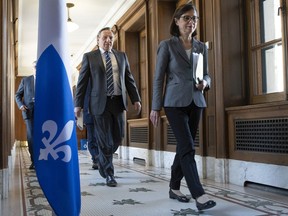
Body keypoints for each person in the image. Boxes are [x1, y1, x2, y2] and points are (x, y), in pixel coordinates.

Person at [149, 3, 216, 211]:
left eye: (194, 18)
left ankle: (174, 186)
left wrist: (206, 83)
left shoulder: (201, 47)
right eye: (186, 18)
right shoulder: (167, 45)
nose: (191, 22)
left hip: (196, 102)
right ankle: (199, 194)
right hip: (174, 103)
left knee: (183, 146)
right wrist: (155, 107)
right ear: (176, 21)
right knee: (188, 146)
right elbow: (159, 77)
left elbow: (207, 74)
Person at [74, 27, 141, 187]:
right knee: (104, 140)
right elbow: (82, 82)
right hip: (99, 104)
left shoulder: (122, 56)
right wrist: (78, 104)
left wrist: (136, 98)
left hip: (118, 102)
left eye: (110, 37)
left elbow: (129, 79)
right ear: (98, 40)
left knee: (118, 137)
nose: (108, 40)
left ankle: (103, 161)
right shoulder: (90, 57)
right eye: (104, 38)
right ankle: (109, 174)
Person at [15, 61, 36, 170]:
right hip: (29, 112)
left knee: (43, 136)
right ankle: (34, 161)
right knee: (31, 136)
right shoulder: (26, 80)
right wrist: (21, 106)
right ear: (32, 68)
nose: (36, 68)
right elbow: (17, 95)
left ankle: (43, 159)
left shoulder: (46, 79)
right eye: (35, 67)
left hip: (43, 113)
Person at [83, 80, 99, 170]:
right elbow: (80, 94)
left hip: (102, 112)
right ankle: (95, 159)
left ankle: (101, 158)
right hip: (89, 112)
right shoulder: (85, 76)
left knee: (100, 137)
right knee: (92, 138)